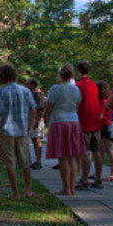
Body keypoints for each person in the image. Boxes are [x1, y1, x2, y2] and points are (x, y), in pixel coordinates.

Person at [0, 63, 37, 198]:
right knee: (25, 162)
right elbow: (33, 110)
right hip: (22, 131)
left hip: (5, 132)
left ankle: (15, 192)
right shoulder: (25, 91)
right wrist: (29, 128)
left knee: (10, 163)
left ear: (1, 77)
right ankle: (28, 190)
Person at [44, 64, 84, 196]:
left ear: (60, 75)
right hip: (73, 122)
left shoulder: (55, 89)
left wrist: (47, 119)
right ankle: (71, 187)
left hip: (59, 122)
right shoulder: (75, 89)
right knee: (72, 156)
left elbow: (49, 107)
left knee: (62, 156)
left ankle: (66, 188)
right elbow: (77, 106)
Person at [75, 61, 104, 189]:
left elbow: (77, 104)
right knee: (96, 151)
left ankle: (84, 180)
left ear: (78, 71)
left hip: (84, 121)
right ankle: (98, 178)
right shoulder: (94, 85)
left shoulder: (78, 85)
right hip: (96, 121)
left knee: (85, 152)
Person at [96, 81, 113, 182]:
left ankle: (112, 173)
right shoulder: (105, 100)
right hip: (106, 126)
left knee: (106, 150)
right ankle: (99, 172)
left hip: (104, 126)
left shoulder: (103, 102)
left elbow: (99, 115)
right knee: (104, 150)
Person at [27, 79, 46, 170]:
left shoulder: (37, 95)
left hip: (36, 121)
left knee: (36, 141)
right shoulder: (30, 95)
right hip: (31, 121)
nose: (26, 84)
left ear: (32, 84)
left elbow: (41, 109)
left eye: (27, 83)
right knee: (34, 141)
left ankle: (38, 161)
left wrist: (36, 121)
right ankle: (35, 161)